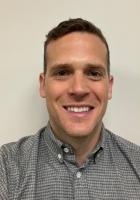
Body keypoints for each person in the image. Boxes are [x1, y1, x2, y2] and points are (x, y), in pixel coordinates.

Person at [0, 18, 140, 199]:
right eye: (62, 73)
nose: (79, 89)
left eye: (93, 73)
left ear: (109, 87)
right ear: (43, 86)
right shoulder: (6, 167)